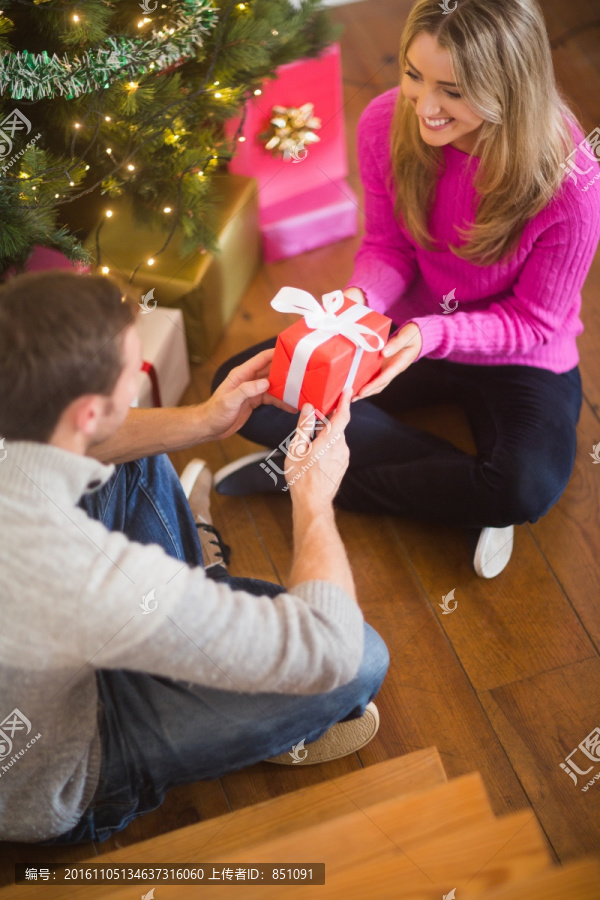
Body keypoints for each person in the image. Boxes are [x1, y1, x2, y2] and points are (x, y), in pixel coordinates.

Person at [212, 0, 600, 579]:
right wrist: (359, 302)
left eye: (453, 90)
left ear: (508, 90)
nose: (425, 105)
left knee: (524, 486)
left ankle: (307, 475)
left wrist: (429, 335)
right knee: (241, 389)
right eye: (413, 75)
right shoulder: (384, 123)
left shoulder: (571, 181)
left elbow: (536, 322)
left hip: (518, 352)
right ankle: (457, 492)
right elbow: (388, 249)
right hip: (407, 328)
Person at [0, 270, 389, 845]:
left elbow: (82, 443)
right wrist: (313, 498)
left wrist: (204, 420)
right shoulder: (77, 568)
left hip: (45, 657)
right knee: (363, 658)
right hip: (51, 777)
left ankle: (198, 596)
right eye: (131, 373)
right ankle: (203, 592)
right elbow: (330, 647)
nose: (140, 376)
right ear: (86, 412)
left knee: (138, 456)